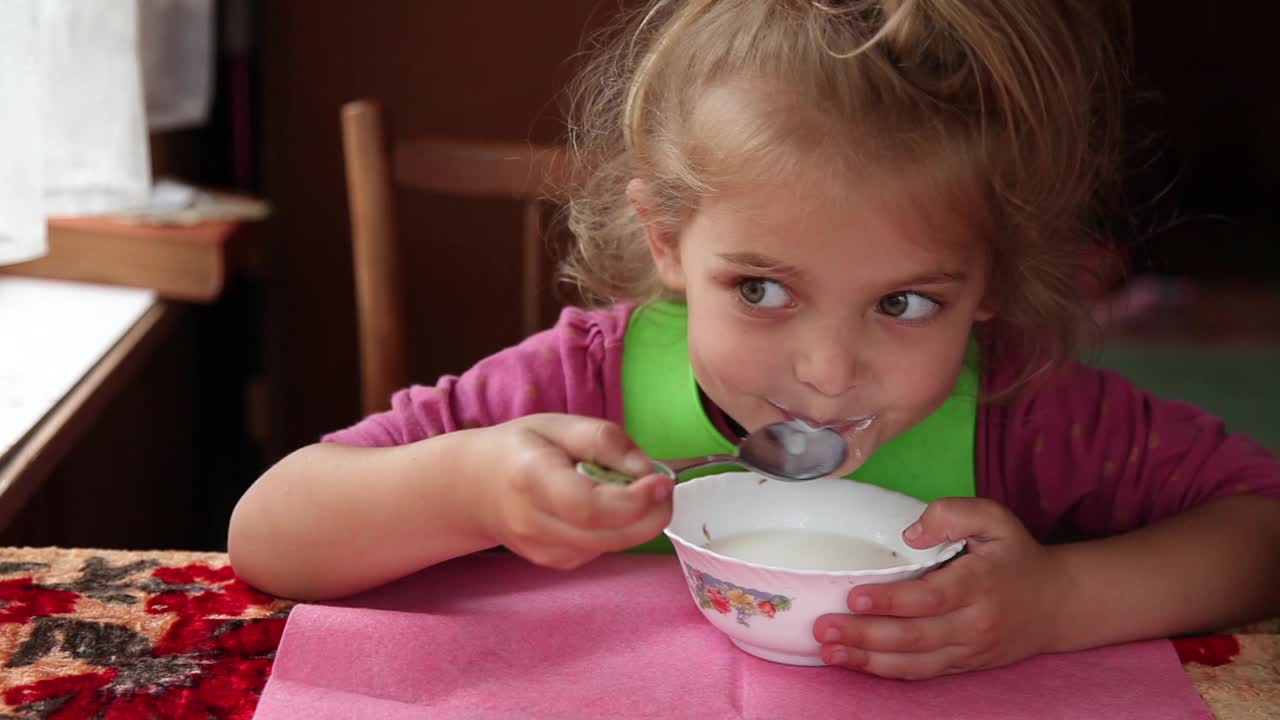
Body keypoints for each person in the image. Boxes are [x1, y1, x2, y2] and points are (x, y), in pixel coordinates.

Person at [229, 0, 1280, 679]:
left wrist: (1058, 602)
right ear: (669, 241)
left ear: (991, 284)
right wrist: (462, 487)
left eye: (903, 303)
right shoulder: (583, 385)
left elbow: (1262, 526)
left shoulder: (1024, 413)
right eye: (763, 288)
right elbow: (269, 533)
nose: (824, 375)